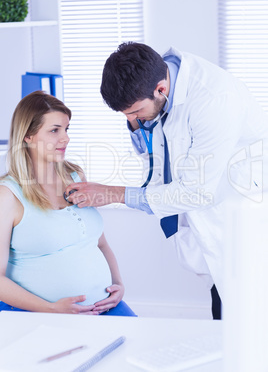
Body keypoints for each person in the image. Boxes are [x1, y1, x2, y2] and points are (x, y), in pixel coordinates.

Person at [65, 42, 268, 319]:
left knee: (244, 318)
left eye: (135, 112)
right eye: (125, 115)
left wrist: (114, 193)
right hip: (207, 219)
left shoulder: (215, 101)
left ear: (160, 89)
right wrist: (138, 122)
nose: (132, 119)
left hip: (237, 214)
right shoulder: (152, 81)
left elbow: (197, 193)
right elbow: (154, 150)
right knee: (221, 303)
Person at [0, 90, 135, 316]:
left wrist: (119, 284)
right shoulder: (8, 196)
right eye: (54, 130)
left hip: (105, 306)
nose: (65, 138)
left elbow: (100, 244)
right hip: (42, 314)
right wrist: (51, 308)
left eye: (66, 129)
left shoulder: (75, 176)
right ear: (28, 136)